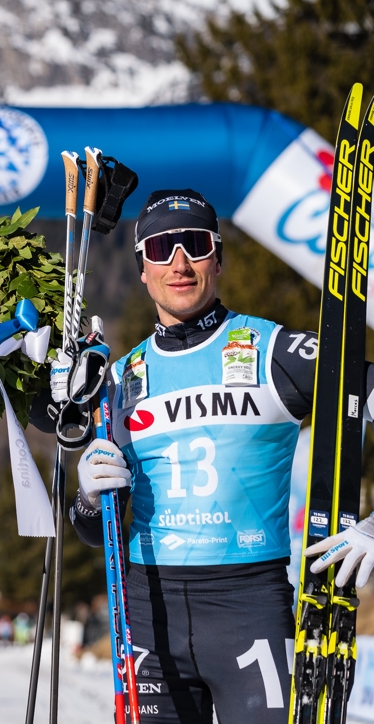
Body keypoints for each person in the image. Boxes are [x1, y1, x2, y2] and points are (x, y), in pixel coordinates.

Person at [68, 189, 374, 723]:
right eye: (161, 248)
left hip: (249, 606)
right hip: (147, 613)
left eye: (195, 244)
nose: (179, 263)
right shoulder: (119, 380)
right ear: (142, 268)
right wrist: (89, 500)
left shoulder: (273, 350)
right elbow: (97, 533)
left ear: (218, 257)